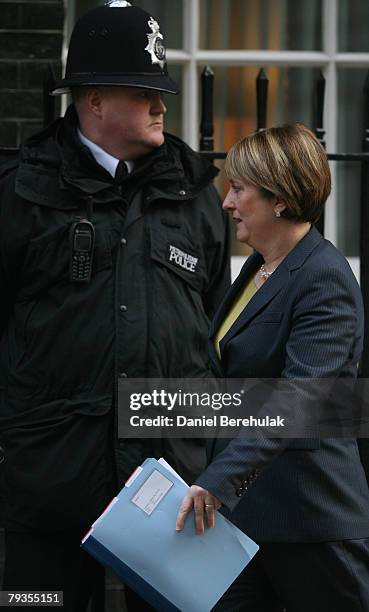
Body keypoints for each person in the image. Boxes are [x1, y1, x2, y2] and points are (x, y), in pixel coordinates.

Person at [0, 2, 229, 611]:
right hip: (47, 487)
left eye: (163, 90)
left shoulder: (198, 194)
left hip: (170, 488)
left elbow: (210, 328)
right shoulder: (20, 191)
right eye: (144, 90)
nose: (162, 105)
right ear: (94, 100)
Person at [176, 124, 369, 612]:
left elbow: (298, 398)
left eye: (239, 189)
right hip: (247, 519)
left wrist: (221, 480)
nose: (227, 202)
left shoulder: (324, 277)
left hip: (309, 520)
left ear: (279, 199)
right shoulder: (259, 268)